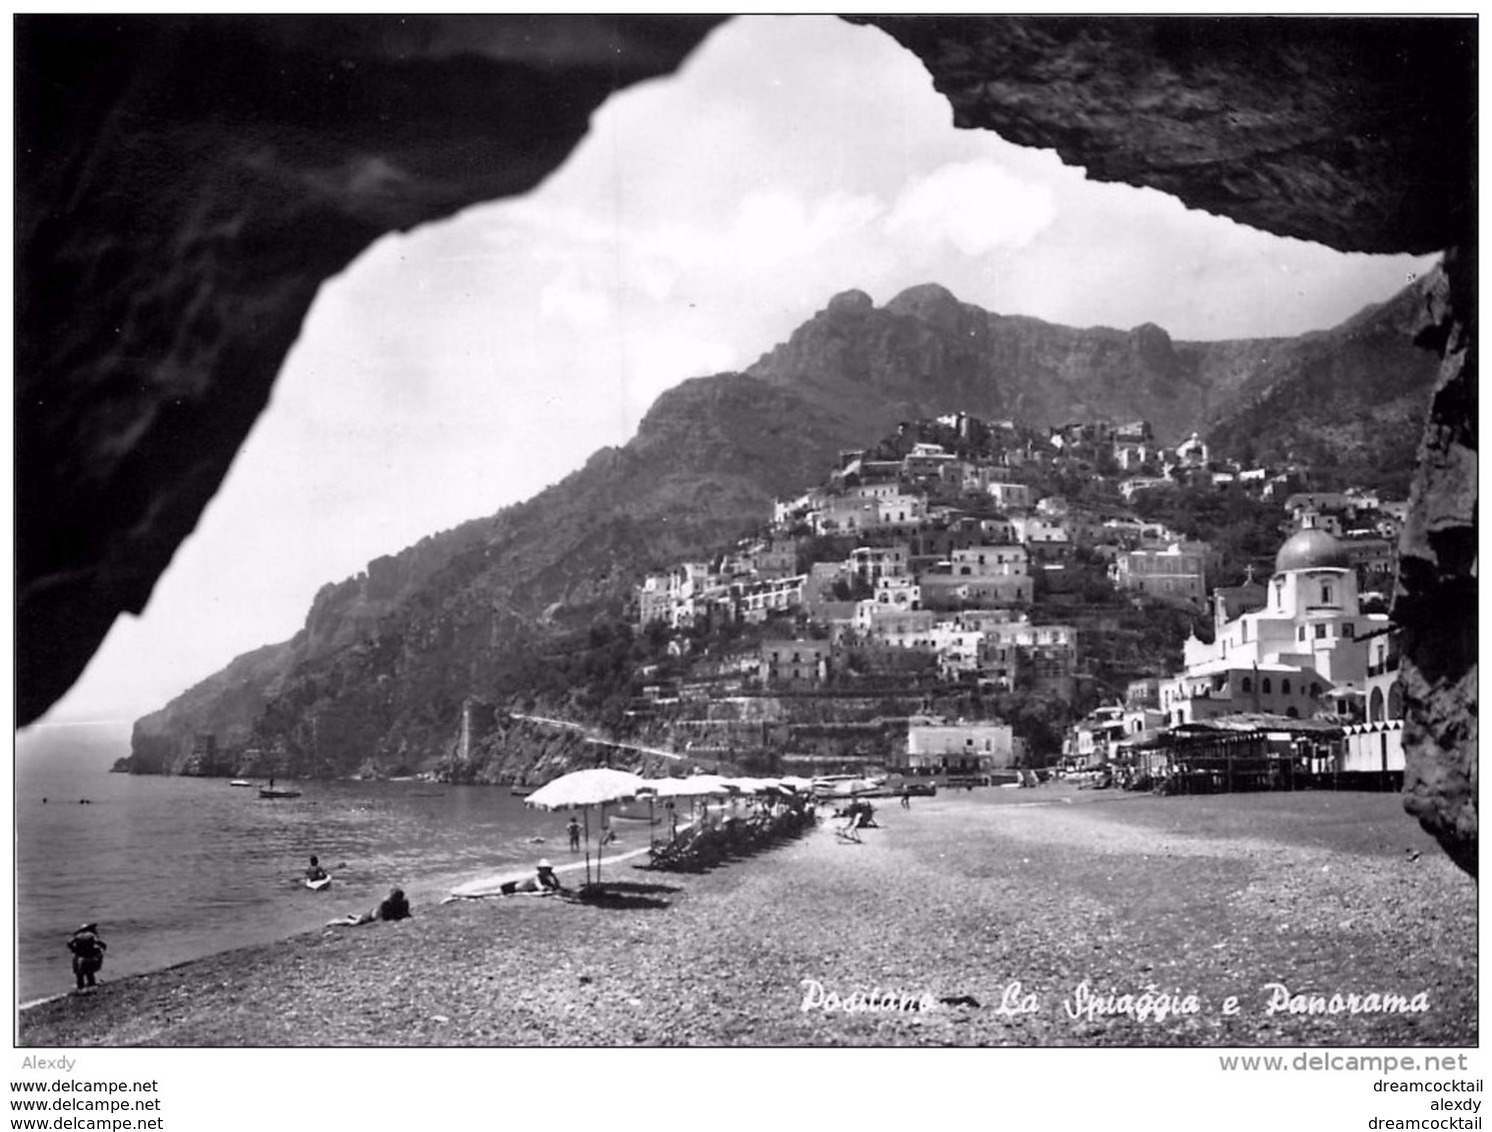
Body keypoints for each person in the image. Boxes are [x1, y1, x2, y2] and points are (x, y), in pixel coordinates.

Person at [326, 887, 412, 927]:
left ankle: (355, 916)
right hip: (372, 916)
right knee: (355, 923)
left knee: (361, 917)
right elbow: (382, 917)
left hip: (372, 913)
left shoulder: (404, 902)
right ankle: (336, 921)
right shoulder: (386, 903)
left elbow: (405, 913)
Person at [67, 923, 106, 990]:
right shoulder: (91, 935)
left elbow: (69, 943)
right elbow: (99, 942)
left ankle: (80, 987)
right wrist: (102, 948)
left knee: (79, 975)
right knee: (90, 973)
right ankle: (91, 986)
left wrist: (74, 949)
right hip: (89, 955)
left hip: (80, 956)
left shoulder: (77, 936)